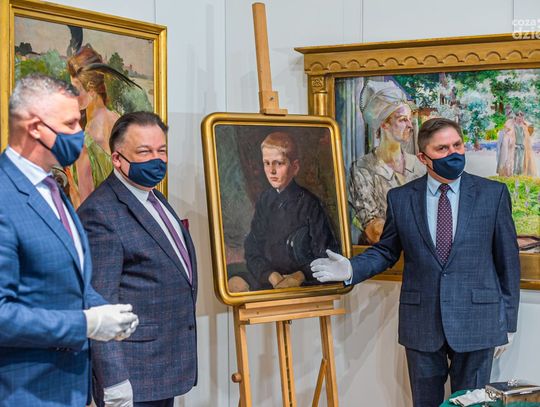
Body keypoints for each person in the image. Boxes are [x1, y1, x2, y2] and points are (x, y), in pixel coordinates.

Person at [311, 118, 520, 407]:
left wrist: (507, 321)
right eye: (442, 149)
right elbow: (386, 251)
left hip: (478, 322)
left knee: (472, 404)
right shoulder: (401, 199)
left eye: (457, 145)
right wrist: (351, 268)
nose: (453, 153)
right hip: (422, 324)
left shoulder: (492, 195)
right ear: (423, 157)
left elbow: (508, 262)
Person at [0, 74, 139, 406]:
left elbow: (70, 280)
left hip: (72, 389)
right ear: (36, 128)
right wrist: (86, 323)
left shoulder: (51, 187)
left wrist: (104, 310)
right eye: (70, 123)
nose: (80, 132)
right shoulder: (5, 196)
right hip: (24, 392)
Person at [78, 111, 198, 407]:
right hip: (133, 376)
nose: (156, 160)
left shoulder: (153, 197)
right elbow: (100, 304)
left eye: (161, 150)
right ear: (117, 159)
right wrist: (114, 382)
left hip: (164, 367)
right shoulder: (100, 214)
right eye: (144, 152)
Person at [230, 131, 338, 292]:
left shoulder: (310, 204)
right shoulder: (265, 200)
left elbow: (325, 254)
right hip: (270, 277)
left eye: (279, 163)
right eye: (267, 163)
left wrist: (299, 276)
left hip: (302, 278)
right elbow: (253, 249)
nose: (272, 171)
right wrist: (271, 275)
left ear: (295, 167)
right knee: (234, 285)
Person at [350, 80, 425, 244]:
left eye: (410, 119)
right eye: (402, 119)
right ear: (384, 124)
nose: (410, 125)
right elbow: (374, 231)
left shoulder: (420, 165)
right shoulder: (363, 168)